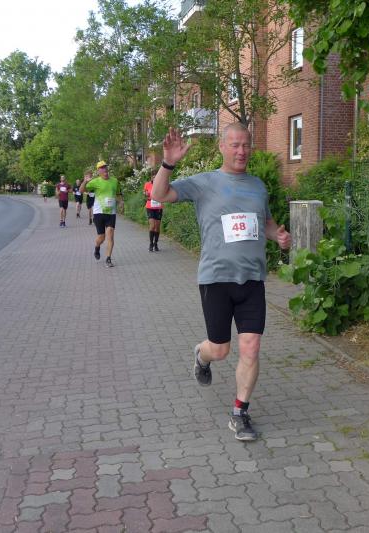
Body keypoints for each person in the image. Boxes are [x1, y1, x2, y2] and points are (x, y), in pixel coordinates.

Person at [151, 124, 291, 442]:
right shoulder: (204, 183)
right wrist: (168, 163)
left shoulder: (258, 186)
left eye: (246, 145)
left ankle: (240, 413)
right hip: (216, 279)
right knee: (220, 349)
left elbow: (266, 223)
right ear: (222, 147)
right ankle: (202, 355)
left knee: (251, 347)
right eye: (235, 145)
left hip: (252, 279)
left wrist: (279, 236)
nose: (241, 151)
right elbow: (159, 194)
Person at [81, 161, 121, 268]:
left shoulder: (115, 181)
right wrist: (85, 181)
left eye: (105, 167)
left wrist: (121, 202)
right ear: (98, 171)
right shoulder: (95, 182)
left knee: (110, 234)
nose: (104, 169)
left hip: (111, 213)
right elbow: (81, 190)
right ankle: (97, 246)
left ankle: (108, 258)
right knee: (101, 237)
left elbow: (118, 193)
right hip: (99, 212)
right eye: (102, 168)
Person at [144, 176, 163, 252]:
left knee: (157, 227)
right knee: (152, 226)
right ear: (151, 178)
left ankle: (156, 243)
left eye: (156, 177)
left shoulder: (161, 184)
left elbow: (164, 194)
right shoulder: (147, 184)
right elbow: (145, 193)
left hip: (158, 207)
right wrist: (145, 194)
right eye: (153, 177)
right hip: (150, 207)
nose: (155, 178)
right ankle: (151, 244)